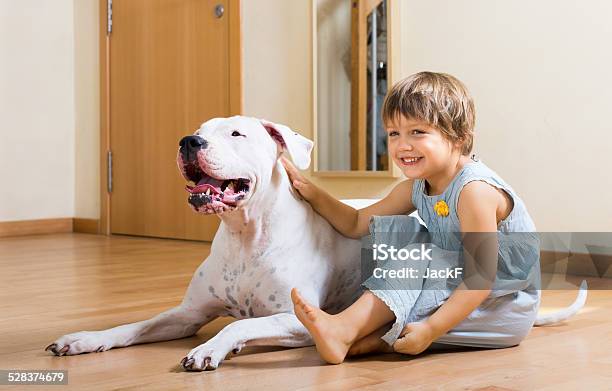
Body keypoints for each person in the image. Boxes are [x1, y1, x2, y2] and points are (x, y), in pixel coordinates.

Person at [281, 71, 541, 364]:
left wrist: (431, 329)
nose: (402, 145)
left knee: (421, 255)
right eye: (394, 133)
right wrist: (311, 192)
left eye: (417, 132)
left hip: (502, 307)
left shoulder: (474, 192)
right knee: (409, 240)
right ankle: (358, 338)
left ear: (458, 138)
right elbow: (355, 223)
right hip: (459, 287)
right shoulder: (415, 188)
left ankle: (349, 330)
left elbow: (480, 279)